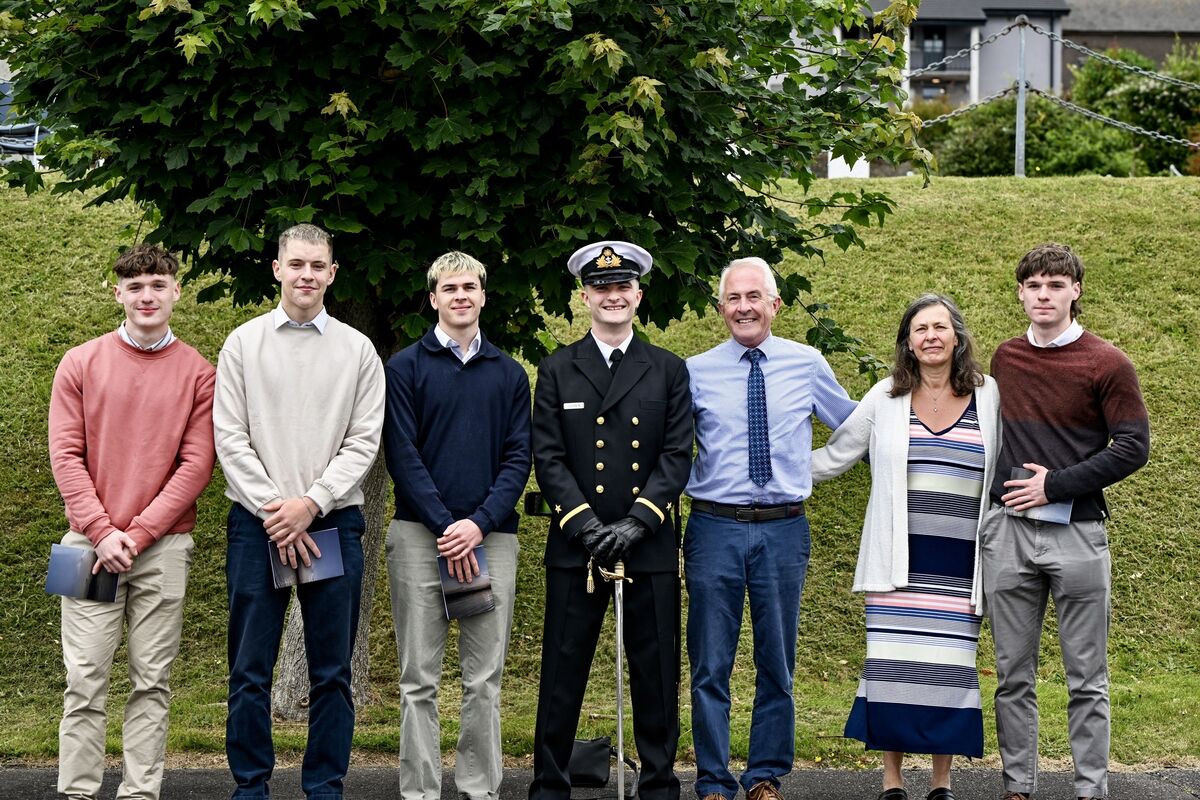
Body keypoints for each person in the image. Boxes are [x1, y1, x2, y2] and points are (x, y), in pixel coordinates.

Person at [214, 223, 385, 800]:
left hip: (333, 521)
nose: (307, 275)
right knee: (249, 668)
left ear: (332, 273)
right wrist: (276, 511)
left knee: (331, 672)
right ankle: (251, 786)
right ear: (277, 269)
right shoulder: (243, 344)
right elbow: (229, 437)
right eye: (297, 264)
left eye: (318, 266)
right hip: (254, 522)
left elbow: (364, 442)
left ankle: (325, 786)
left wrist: (309, 505)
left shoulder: (357, 350)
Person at [811, 294, 1001, 800]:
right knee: (892, 668)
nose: (931, 336)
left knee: (950, 670)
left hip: (962, 562)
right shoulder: (884, 397)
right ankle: (892, 781)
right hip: (898, 560)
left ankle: (941, 783)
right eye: (920, 329)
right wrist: (765, 474)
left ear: (957, 337)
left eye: (940, 327)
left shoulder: (990, 395)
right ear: (908, 343)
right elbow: (834, 456)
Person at [49, 243, 216, 800]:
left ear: (176, 292)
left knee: (152, 681)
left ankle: (141, 792)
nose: (148, 295)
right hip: (84, 544)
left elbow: (196, 466)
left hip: (164, 546)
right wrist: (101, 531)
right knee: (84, 678)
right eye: (136, 286)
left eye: (158, 285)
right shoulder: (80, 362)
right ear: (117, 292)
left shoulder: (199, 373)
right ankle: (77, 791)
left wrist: (138, 534)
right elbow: (65, 456)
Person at [982, 243, 1149, 800]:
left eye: (1055, 285)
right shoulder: (1005, 357)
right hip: (1009, 535)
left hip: (1078, 534)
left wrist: (1053, 484)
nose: (1043, 295)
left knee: (1087, 680)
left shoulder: (1108, 362)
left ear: (1076, 290)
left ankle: (1090, 789)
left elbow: (1132, 448)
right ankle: (1018, 787)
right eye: (1033, 286)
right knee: (1012, 676)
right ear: (1021, 293)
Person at [685, 256, 856, 800]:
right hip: (714, 528)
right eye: (733, 299)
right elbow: (667, 448)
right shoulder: (695, 371)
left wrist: (817, 466)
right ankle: (713, 779)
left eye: (754, 296)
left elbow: (854, 425)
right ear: (720, 309)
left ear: (775, 305)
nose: (744, 307)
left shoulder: (806, 363)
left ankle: (764, 776)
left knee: (775, 661)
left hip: (784, 531)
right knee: (710, 663)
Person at [528, 240, 693, 800]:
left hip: (645, 544)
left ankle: (659, 785)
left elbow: (676, 456)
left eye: (622, 287)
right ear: (585, 297)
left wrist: (636, 524)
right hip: (578, 547)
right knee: (561, 676)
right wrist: (586, 525)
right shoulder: (556, 368)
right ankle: (549, 786)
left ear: (638, 295)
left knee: (657, 677)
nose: (612, 295)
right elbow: (547, 457)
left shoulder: (668, 370)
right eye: (602, 288)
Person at [382, 251, 532, 800]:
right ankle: (420, 791)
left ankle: (478, 789)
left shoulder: (510, 374)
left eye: (470, 286)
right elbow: (402, 453)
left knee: (483, 681)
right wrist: (449, 526)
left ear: (484, 295)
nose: (461, 295)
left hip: (492, 540)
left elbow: (519, 458)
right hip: (421, 538)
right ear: (433, 298)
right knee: (418, 679)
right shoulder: (405, 367)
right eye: (450, 288)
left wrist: (478, 524)